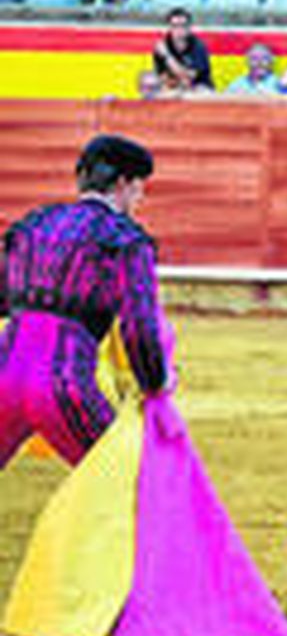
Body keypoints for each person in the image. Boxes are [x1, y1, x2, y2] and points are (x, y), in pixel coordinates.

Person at [0, 136, 168, 467]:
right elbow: (139, 328)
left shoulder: (32, 225)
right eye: (139, 187)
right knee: (124, 480)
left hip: (3, 375)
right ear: (123, 184)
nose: (140, 198)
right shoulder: (126, 240)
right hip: (62, 387)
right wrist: (154, 385)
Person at [151, 7, 213, 92]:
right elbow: (162, 76)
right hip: (175, 87)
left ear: (189, 27)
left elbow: (189, 77)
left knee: (199, 90)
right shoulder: (162, 46)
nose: (179, 29)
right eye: (175, 26)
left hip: (198, 86)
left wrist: (167, 56)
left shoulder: (198, 46)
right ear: (169, 27)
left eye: (183, 25)